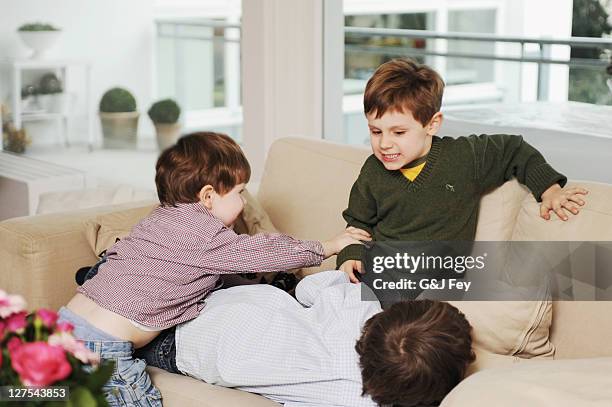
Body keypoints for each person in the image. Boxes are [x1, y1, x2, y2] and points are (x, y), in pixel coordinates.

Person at [58, 132, 370, 406]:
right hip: (103, 347)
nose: (244, 203)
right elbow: (261, 253)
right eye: (239, 192)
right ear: (208, 197)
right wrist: (326, 246)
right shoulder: (205, 236)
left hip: (67, 321)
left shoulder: (159, 219)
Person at [337, 58, 589, 282]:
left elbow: (515, 149)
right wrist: (350, 254)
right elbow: (359, 223)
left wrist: (549, 188)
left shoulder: (465, 156)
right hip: (377, 275)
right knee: (317, 292)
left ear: (432, 124)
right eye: (375, 131)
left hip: (431, 286)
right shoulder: (373, 170)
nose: (384, 143)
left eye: (399, 132)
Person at [172, 270, 475, 407]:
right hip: (189, 353)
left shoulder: (360, 306)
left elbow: (307, 290)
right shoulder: (351, 401)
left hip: (221, 302)